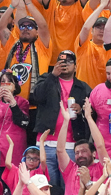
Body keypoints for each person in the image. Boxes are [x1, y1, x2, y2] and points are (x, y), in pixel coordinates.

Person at [31, 50, 92, 187]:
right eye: (61, 61)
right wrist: (52, 76)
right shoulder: (46, 78)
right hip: (46, 142)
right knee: (47, 185)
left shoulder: (83, 87)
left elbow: (93, 111)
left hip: (71, 144)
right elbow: (36, 97)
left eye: (69, 62)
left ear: (75, 67)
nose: (65, 64)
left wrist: (82, 109)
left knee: (70, 185)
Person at [0, 71, 30, 168]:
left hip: (13, 151)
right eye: (3, 82)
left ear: (15, 86)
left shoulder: (23, 102)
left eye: (9, 82)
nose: (5, 85)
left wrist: (13, 103)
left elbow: (23, 123)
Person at [57, 98, 108, 193]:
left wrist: (88, 117)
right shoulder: (70, 169)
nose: (80, 155)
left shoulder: (101, 168)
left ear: (94, 153)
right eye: (77, 152)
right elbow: (60, 150)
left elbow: (100, 146)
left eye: (84, 151)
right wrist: (66, 122)